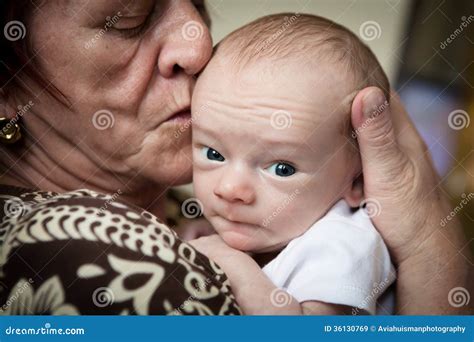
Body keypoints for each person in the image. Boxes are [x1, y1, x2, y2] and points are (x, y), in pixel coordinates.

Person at [0, 0, 471, 315]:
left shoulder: (338, 243)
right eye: (129, 17)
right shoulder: (84, 252)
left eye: (199, 4)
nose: (198, 41)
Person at [189, 13, 396, 315]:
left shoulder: (344, 244)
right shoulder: (272, 228)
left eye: (281, 169)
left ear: (357, 182)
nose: (230, 189)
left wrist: (232, 266)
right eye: (213, 154)